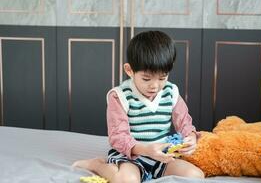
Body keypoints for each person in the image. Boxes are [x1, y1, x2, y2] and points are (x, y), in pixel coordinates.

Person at [72, 31, 204, 182]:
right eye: (146, 78)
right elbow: (118, 137)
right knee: (127, 181)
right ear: (129, 70)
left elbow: (184, 122)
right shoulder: (120, 96)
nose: (155, 86)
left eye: (162, 77)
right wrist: (146, 150)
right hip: (131, 155)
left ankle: (150, 171)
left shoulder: (171, 92)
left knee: (196, 176)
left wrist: (191, 137)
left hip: (161, 155)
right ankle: (97, 165)